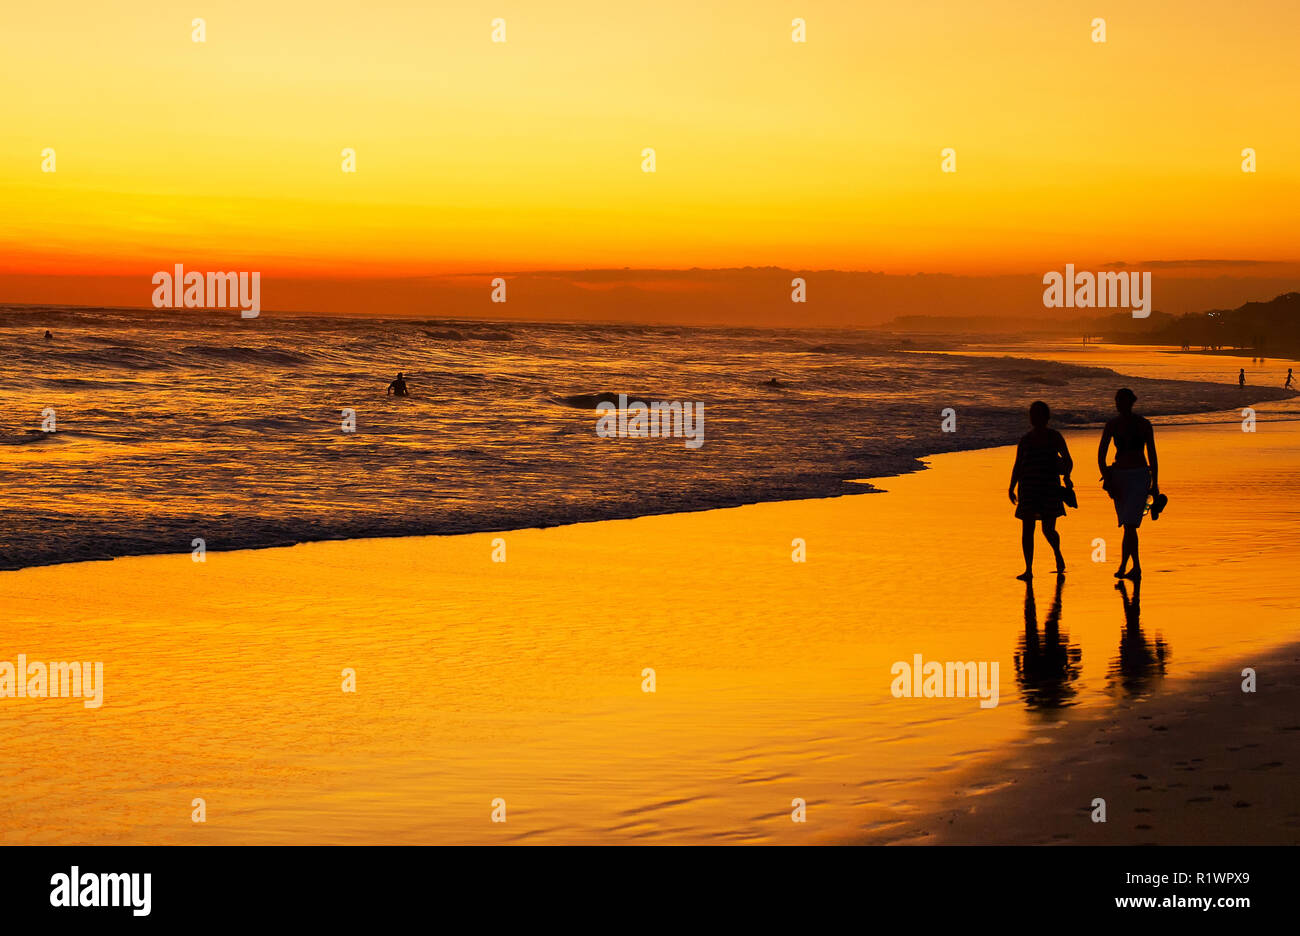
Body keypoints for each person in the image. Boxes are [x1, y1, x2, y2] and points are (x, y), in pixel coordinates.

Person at [1008, 400, 1073, 580]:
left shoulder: (1055, 437)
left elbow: (1068, 460)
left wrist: (1067, 476)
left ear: (1046, 417)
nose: (1035, 418)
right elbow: (1018, 464)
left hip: (1049, 488)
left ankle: (1057, 554)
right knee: (1027, 529)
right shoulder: (1025, 439)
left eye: (1038, 414)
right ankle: (1028, 569)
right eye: (1032, 414)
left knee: (1048, 529)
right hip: (1028, 488)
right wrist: (1011, 486)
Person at [1098, 388, 1158, 580]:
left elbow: (1152, 456)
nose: (1118, 404)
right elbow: (1100, 455)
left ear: (1130, 402)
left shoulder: (1143, 425)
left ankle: (1131, 566)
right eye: (1117, 400)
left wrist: (1155, 484)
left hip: (1139, 476)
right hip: (1120, 478)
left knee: (1130, 524)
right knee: (1127, 524)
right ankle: (1131, 567)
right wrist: (1107, 479)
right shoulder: (1112, 425)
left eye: (1121, 401)